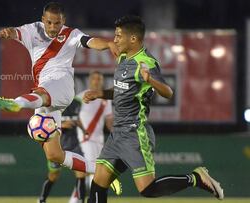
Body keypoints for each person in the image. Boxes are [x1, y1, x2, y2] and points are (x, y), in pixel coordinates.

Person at [83, 16, 224, 203]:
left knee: (148, 189)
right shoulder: (123, 58)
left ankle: (196, 178)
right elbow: (121, 91)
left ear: (133, 39)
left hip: (135, 133)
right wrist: (100, 93)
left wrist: (149, 80)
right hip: (117, 133)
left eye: (118, 36)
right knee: (98, 183)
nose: (115, 40)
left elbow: (168, 92)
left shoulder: (146, 62)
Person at [0, 2, 121, 192]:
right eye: (49, 22)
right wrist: (9, 33)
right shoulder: (32, 30)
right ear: (43, 20)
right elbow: (15, 33)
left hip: (61, 86)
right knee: (54, 155)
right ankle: (102, 171)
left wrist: (107, 43)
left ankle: (16, 103)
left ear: (63, 21)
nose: (53, 27)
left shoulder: (71, 34)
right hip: (45, 94)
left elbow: (89, 41)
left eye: (57, 23)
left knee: (40, 94)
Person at [68, 71, 114, 202]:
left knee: (92, 174)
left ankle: (75, 200)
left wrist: (116, 133)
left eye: (99, 79)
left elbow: (109, 121)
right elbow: (72, 116)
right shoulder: (82, 97)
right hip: (85, 140)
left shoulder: (106, 100)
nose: (97, 81)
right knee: (91, 173)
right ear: (89, 80)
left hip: (99, 141)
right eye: (94, 78)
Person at [38, 99, 87, 203]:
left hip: (74, 146)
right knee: (53, 176)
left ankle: (81, 201)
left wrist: (83, 129)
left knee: (81, 173)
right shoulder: (52, 103)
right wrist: (61, 125)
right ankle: (42, 199)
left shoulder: (77, 102)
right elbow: (43, 124)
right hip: (57, 146)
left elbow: (76, 118)